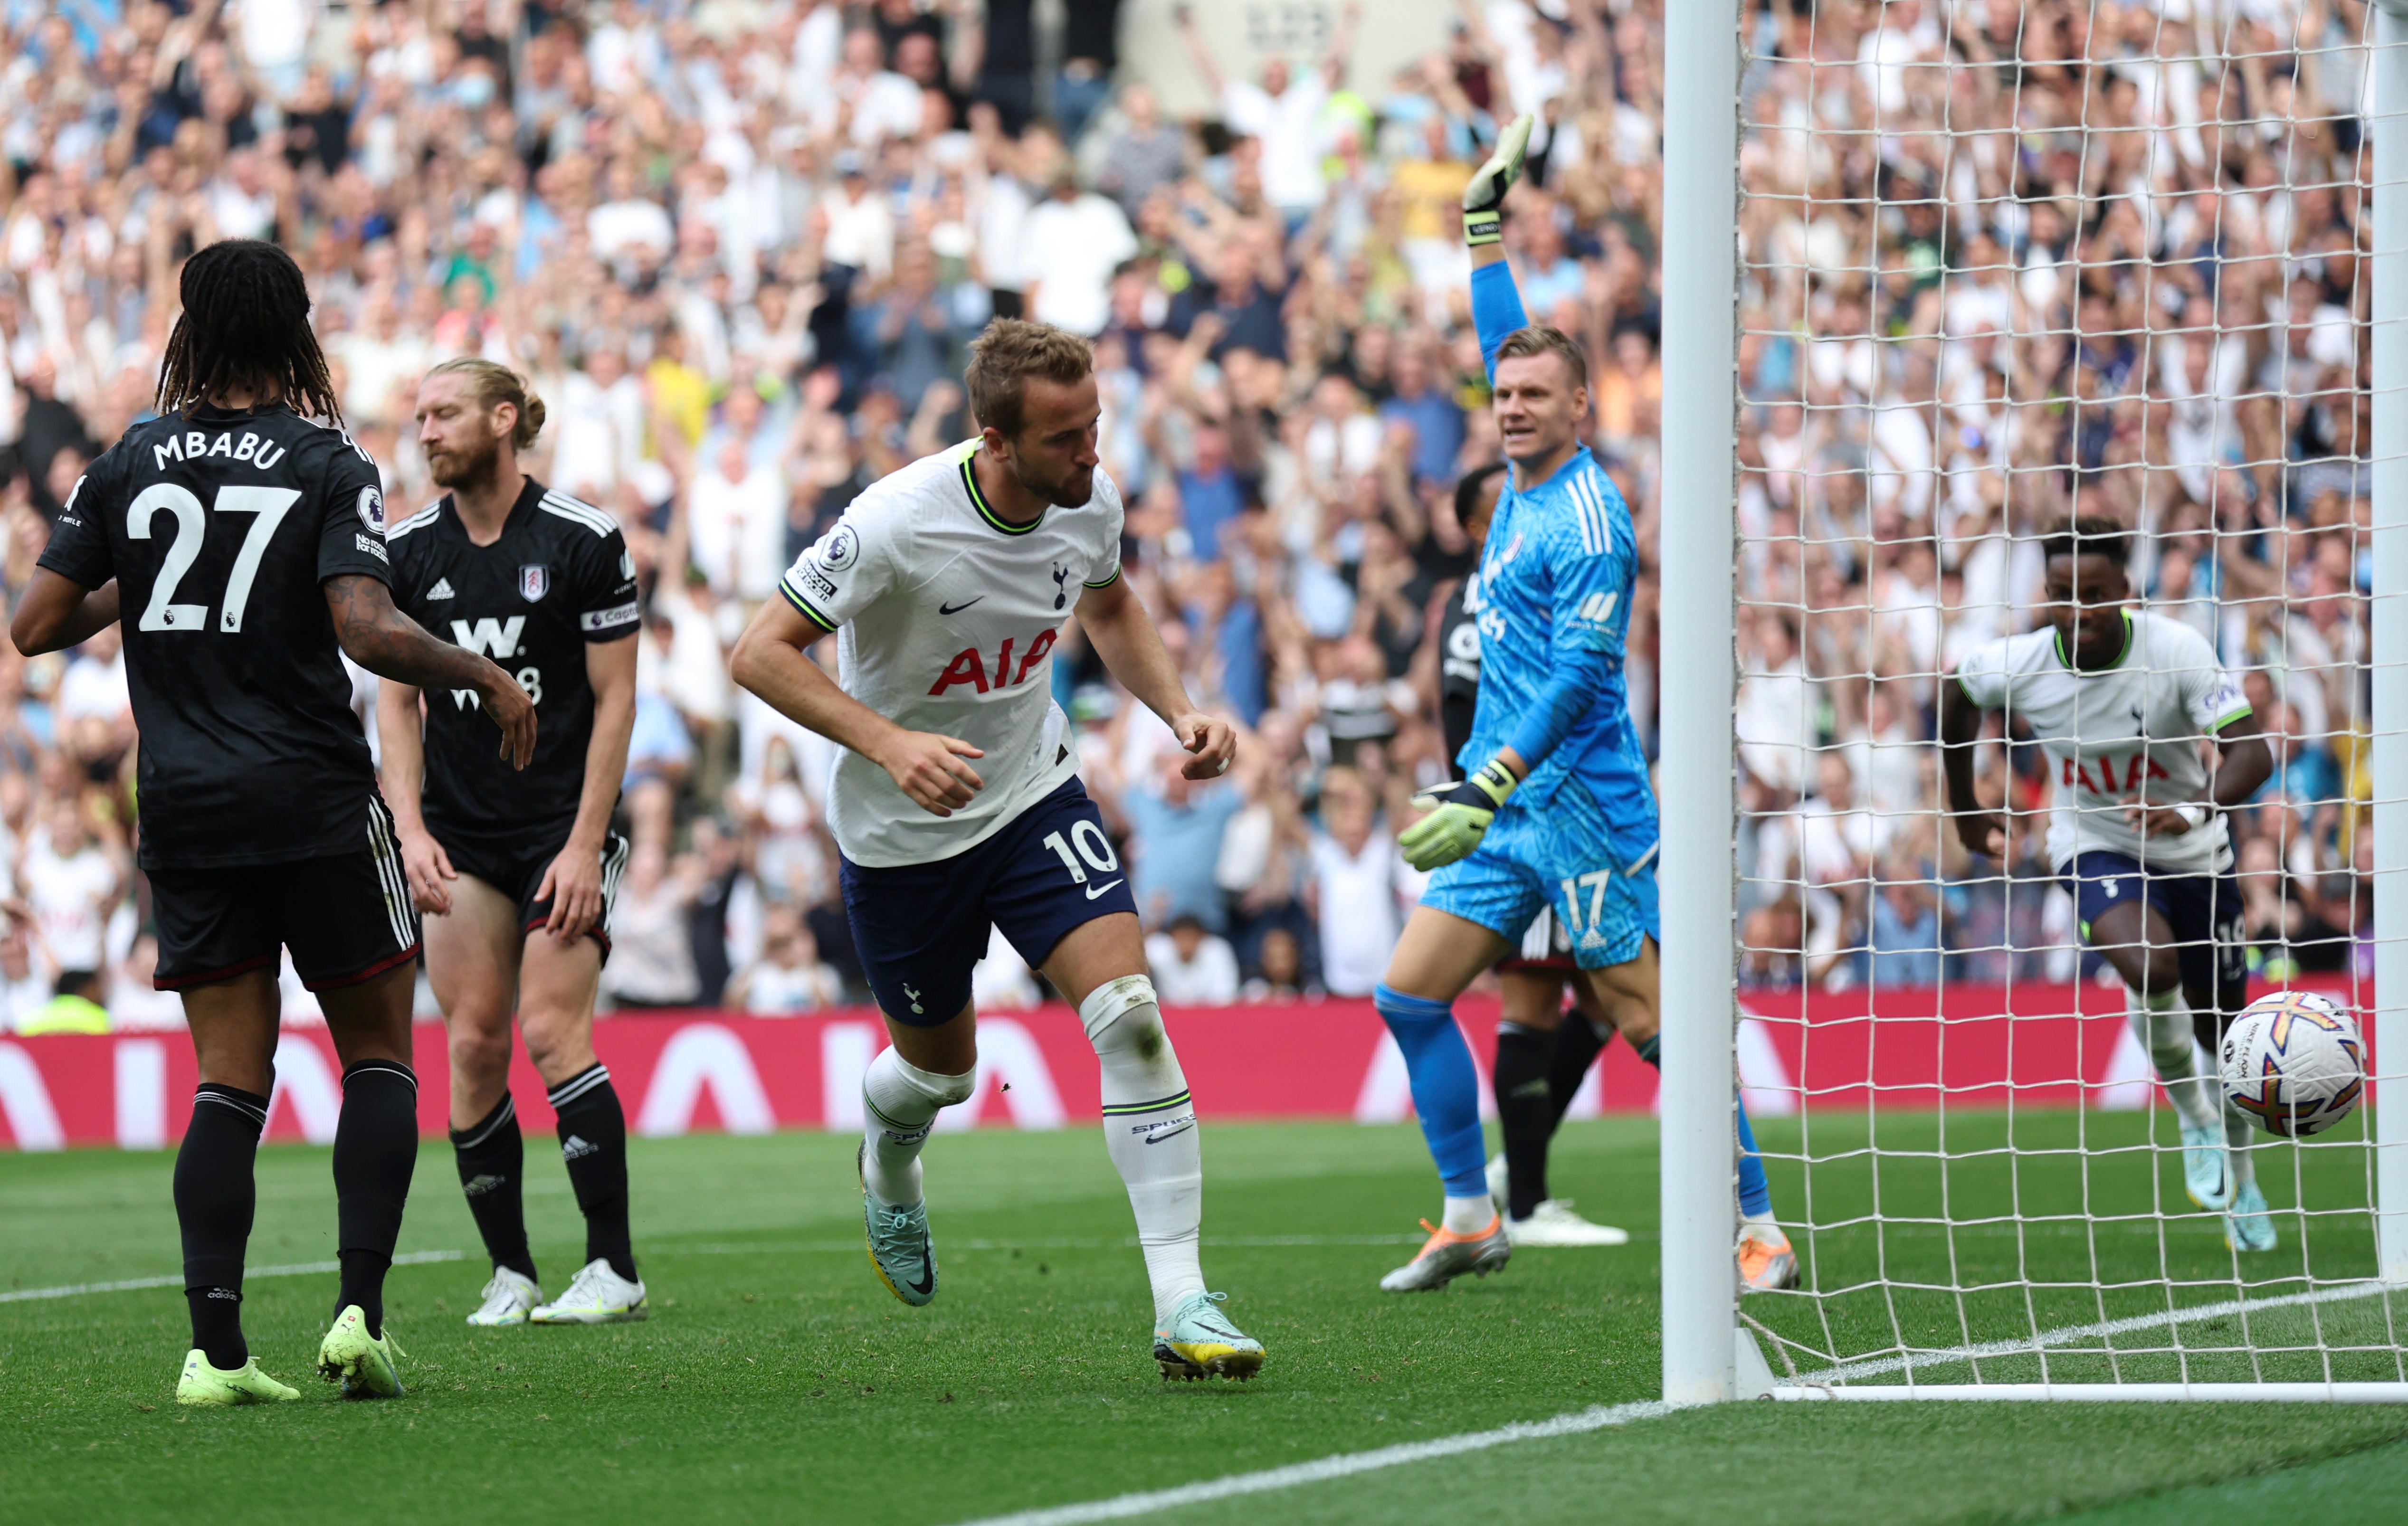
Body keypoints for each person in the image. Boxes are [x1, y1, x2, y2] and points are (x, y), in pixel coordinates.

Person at [11, 239, 536, 1405]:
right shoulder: (324, 458)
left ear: (190, 326)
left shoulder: (129, 462)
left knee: (227, 1084)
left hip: (187, 809)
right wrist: (483, 676)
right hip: (311, 799)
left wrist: (141, 581)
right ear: (295, 328)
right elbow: (363, 625)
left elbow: (39, 623)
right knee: (380, 1057)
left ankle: (217, 1352)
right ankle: (357, 1316)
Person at [730, 317, 1263, 1380]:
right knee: (943, 1072)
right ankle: (889, 1163)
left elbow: (1109, 604)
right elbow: (757, 652)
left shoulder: (1088, 497)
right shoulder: (894, 523)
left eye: (1096, 426)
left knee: (1134, 1021)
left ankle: (1184, 1303)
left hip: (1032, 792)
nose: (1092, 453)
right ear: (997, 440)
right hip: (903, 829)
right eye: (1067, 437)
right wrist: (888, 742)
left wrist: (1178, 709)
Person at [1371, 119, 1796, 1293]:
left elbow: (1581, 679)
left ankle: (1758, 1226)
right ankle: (1470, 1214)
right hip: (1509, 809)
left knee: (1655, 1026)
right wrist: (1479, 224)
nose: (1510, 405)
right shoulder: (1518, 473)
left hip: (1583, 807)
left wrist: (1487, 778)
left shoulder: (1588, 520)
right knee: (1407, 994)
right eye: (1501, 392)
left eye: (1534, 396)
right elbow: (1507, 330)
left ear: (1582, 411)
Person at [378, 359, 646, 1328]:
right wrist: (407, 829)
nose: (425, 430)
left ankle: (614, 1267)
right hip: (457, 832)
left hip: (557, 826)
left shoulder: (582, 538)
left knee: (547, 1027)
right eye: (418, 416)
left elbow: (617, 696)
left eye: (443, 413)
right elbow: (397, 701)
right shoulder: (404, 551)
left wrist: (584, 845)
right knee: (477, 1040)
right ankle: (512, 1273)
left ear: (503, 419)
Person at [1942, 514, 2275, 1251]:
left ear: (2125, 589)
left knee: (2225, 1036)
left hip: (2195, 852)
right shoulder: (2023, 661)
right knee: (2148, 965)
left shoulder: (2177, 651)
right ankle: (2191, 1117)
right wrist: (1965, 814)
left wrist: (2188, 807)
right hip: (2091, 843)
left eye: (2093, 594)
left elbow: (2253, 755)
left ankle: (2242, 1176)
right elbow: (1956, 695)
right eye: (2062, 594)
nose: (2079, 613)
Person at [1438, 461, 1625, 1249]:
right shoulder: (1478, 602)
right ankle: (1525, 1201)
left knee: (1610, 999)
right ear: (1479, 529)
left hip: (1569, 813)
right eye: (1503, 510)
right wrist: (1488, 800)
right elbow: (1467, 715)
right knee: (1533, 1001)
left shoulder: (1523, 586)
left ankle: (1518, 1166)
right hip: (1523, 816)